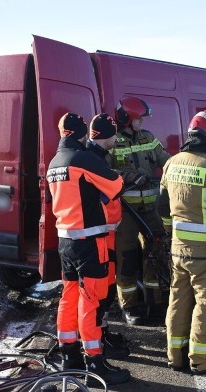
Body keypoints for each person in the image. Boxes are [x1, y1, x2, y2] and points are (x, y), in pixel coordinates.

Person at [46, 112, 130, 385]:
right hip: (90, 242)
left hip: (65, 240)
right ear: (83, 134)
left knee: (69, 297)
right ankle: (95, 363)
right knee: (91, 301)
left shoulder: (54, 162)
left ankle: (68, 355)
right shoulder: (82, 159)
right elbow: (116, 185)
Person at [158, 110, 206, 374]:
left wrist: (172, 234)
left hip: (179, 249)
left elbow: (162, 208)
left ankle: (175, 355)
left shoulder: (172, 162)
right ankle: (202, 360)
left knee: (178, 299)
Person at [109, 97, 172, 325]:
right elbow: (105, 172)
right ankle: (130, 307)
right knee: (126, 258)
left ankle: (155, 304)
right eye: (139, 118)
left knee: (156, 254)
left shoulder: (148, 138)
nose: (142, 122)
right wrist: (128, 177)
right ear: (126, 119)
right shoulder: (113, 142)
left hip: (151, 208)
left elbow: (167, 161)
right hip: (126, 211)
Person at [86, 113, 141, 360]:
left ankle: (102, 333)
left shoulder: (96, 157)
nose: (117, 137)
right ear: (105, 136)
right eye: (113, 133)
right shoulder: (93, 161)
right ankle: (96, 344)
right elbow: (113, 187)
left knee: (105, 291)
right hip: (99, 236)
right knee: (99, 294)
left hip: (105, 234)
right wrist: (125, 178)